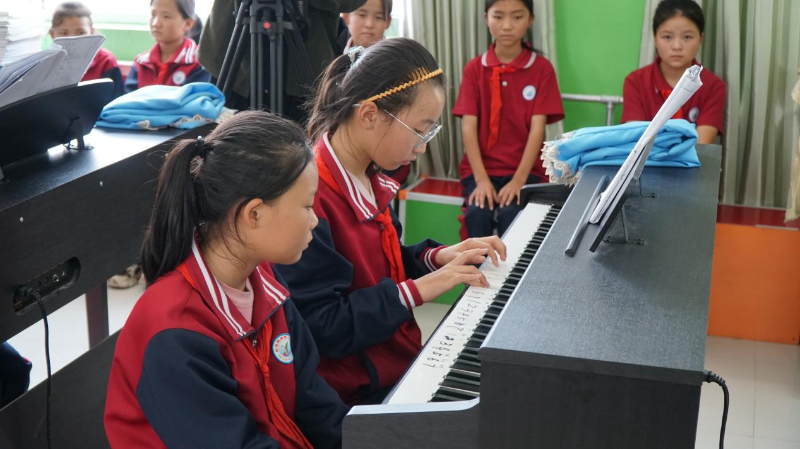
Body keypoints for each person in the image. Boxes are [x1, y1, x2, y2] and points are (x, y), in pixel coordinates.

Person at [275, 38, 507, 406]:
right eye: (419, 130)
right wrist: (418, 290)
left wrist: (436, 258)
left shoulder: (368, 174)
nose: (422, 146)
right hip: (352, 393)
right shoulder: (311, 200)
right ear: (370, 115)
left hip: (393, 361)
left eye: (431, 132)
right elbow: (325, 326)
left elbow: (380, 265)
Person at [104, 111, 348, 448]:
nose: (315, 220)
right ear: (254, 214)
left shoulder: (267, 287)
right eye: (307, 206)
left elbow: (316, 405)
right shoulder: (175, 332)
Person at [453, 0, 564, 239]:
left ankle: (510, 267)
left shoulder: (542, 69)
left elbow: (537, 130)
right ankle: (475, 266)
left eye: (517, 17)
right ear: (486, 18)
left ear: (530, 20)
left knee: (512, 215)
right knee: (477, 214)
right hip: (480, 169)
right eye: (498, 16)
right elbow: (468, 127)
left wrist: (518, 180)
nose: (507, 26)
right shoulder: (474, 68)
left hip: (526, 170)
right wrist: (481, 180)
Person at [621, 0, 726, 144]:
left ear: (700, 39)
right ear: (655, 38)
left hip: (692, 159)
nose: (677, 46)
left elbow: (701, 145)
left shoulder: (713, 86)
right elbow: (637, 142)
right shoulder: (636, 82)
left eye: (687, 37)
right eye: (667, 37)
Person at [124, 0, 211, 93]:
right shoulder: (141, 62)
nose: (156, 23)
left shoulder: (199, 64)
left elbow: (193, 100)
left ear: (188, 23)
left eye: (166, 16)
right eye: (153, 15)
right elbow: (127, 99)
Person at [50, 1, 124, 99]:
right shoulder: (47, 63)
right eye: (64, 33)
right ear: (52, 34)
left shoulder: (106, 61)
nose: (72, 39)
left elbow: (117, 99)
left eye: (81, 33)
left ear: (92, 33)